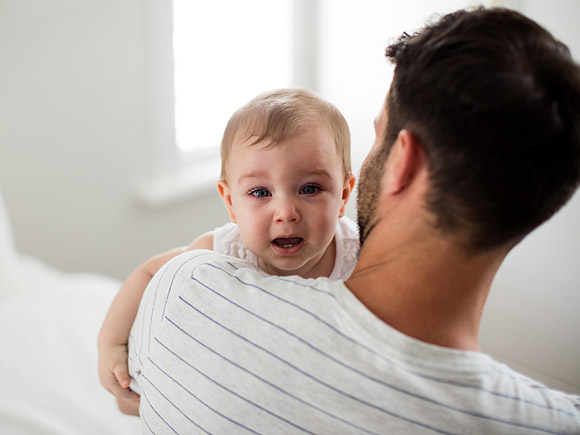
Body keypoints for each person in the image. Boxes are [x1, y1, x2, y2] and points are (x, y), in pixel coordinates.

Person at [127, 7, 580, 433]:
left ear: (403, 162)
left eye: (380, 132)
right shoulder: (555, 422)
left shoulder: (181, 292)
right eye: (260, 192)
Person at [97, 88, 358, 413]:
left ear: (344, 195)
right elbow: (150, 272)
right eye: (261, 192)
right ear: (230, 202)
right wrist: (111, 346)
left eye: (310, 189)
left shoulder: (359, 255)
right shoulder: (221, 253)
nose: (286, 212)